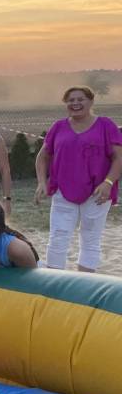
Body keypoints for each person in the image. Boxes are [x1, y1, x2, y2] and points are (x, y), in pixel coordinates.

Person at [34, 86, 122, 272]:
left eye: (80, 99)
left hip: (98, 191)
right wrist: (42, 181)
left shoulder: (106, 125)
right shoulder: (58, 127)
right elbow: (43, 156)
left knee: (90, 237)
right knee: (58, 236)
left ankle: (86, 280)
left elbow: (118, 157)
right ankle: (55, 279)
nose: (75, 103)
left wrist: (108, 183)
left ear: (91, 101)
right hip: (63, 191)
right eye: (70, 100)